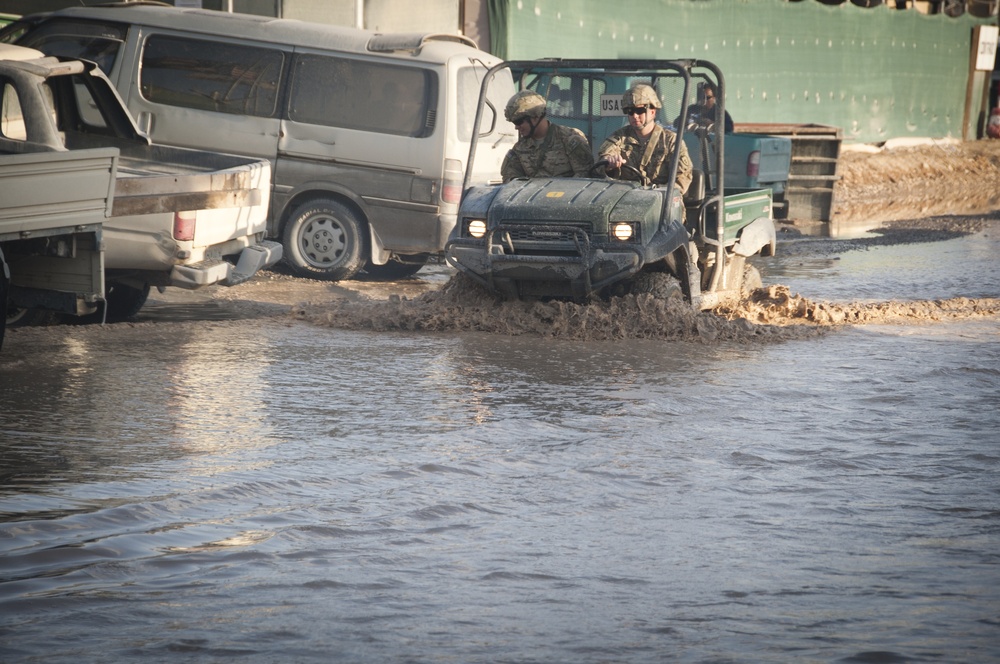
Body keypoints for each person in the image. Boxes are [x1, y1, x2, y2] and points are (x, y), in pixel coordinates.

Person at [598, 84, 693, 194]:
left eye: (640, 111)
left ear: (653, 112)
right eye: (630, 111)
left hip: (662, 202)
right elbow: (602, 161)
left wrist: (659, 195)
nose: (635, 116)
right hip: (626, 200)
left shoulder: (671, 141)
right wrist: (609, 165)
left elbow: (682, 179)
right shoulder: (620, 137)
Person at [500, 90, 594, 182]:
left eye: (518, 122)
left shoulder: (569, 139)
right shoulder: (520, 147)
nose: (516, 127)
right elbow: (510, 180)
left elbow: (585, 177)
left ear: (535, 117)